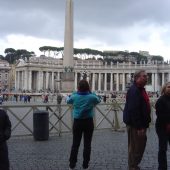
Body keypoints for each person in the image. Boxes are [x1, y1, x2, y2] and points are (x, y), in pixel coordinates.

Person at [67, 79, 101, 170]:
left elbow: (68, 100)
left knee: (75, 144)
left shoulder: (75, 97)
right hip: (88, 122)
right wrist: (92, 93)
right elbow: (98, 100)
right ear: (88, 88)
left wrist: (74, 93)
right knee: (87, 145)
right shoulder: (91, 97)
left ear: (78, 87)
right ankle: (85, 165)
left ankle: (72, 165)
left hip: (77, 122)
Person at [123, 70, 151, 170]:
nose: (146, 77)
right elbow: (134, 110)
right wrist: (139, 127)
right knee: (136, 147)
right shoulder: (134, 90)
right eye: (144, 76)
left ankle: (134, 165)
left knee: (139, 146)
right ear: (137, 78)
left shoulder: (140, 89)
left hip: (140, 124)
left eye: (146, 76)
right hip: (136, 126)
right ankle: (133, 166)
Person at [155, 82, 170, 170]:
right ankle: (162, 167)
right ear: (164, 89)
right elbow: (160, 115)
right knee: (163, 148)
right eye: (168, 87)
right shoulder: (160, 100)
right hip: (162, 127)